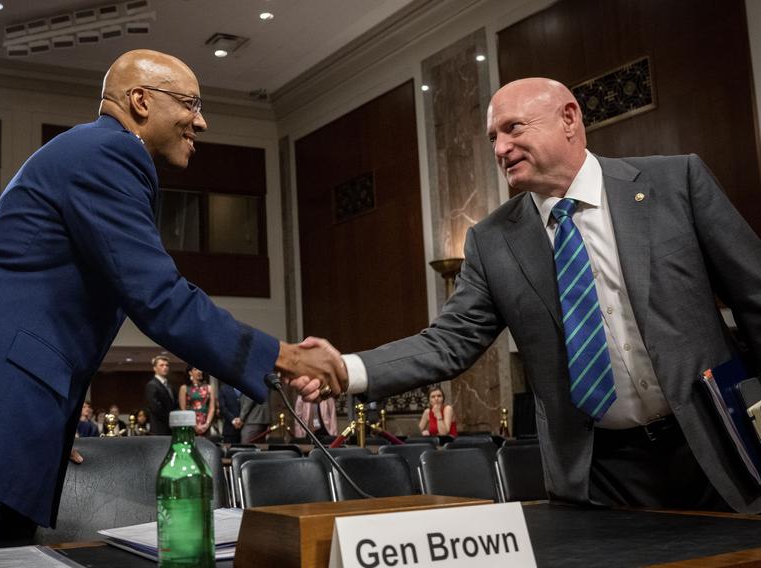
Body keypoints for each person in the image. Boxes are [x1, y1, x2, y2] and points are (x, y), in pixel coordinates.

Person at [0, 49, 346, 555]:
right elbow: (160, 297)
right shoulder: (107, 154)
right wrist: (284, 357)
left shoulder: (93, 154)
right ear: (140, 100)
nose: (200, 121)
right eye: (190, 103)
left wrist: (40, 423)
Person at [293, 77, 761, 514]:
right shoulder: (493, 240)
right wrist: (346, 368)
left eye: (513, 128)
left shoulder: (675, 183)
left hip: (715, 443)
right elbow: (449, 341)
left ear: (570, 118)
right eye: (493, 136)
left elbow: (755, 296)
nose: (500, 148)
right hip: (599, 471)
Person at [145, 355, 176, 435]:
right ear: (155, 368)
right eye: (161, 365)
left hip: (169, 427)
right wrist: (170, 420)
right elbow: (156, 408)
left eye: (167, 365)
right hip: (159, 428)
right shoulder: (152, 385)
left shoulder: (169, 385)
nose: (165, 367)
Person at [178, 366, 214, 436]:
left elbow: (212, 408)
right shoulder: (184, 388)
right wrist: (194, 425)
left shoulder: (209, 388)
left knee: (206, 445)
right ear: (190, 373)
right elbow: (183, 409)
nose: (199, 371)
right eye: (195, 369)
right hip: (190, 422)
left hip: (205, 423)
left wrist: (207, 424)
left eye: (200, 369)